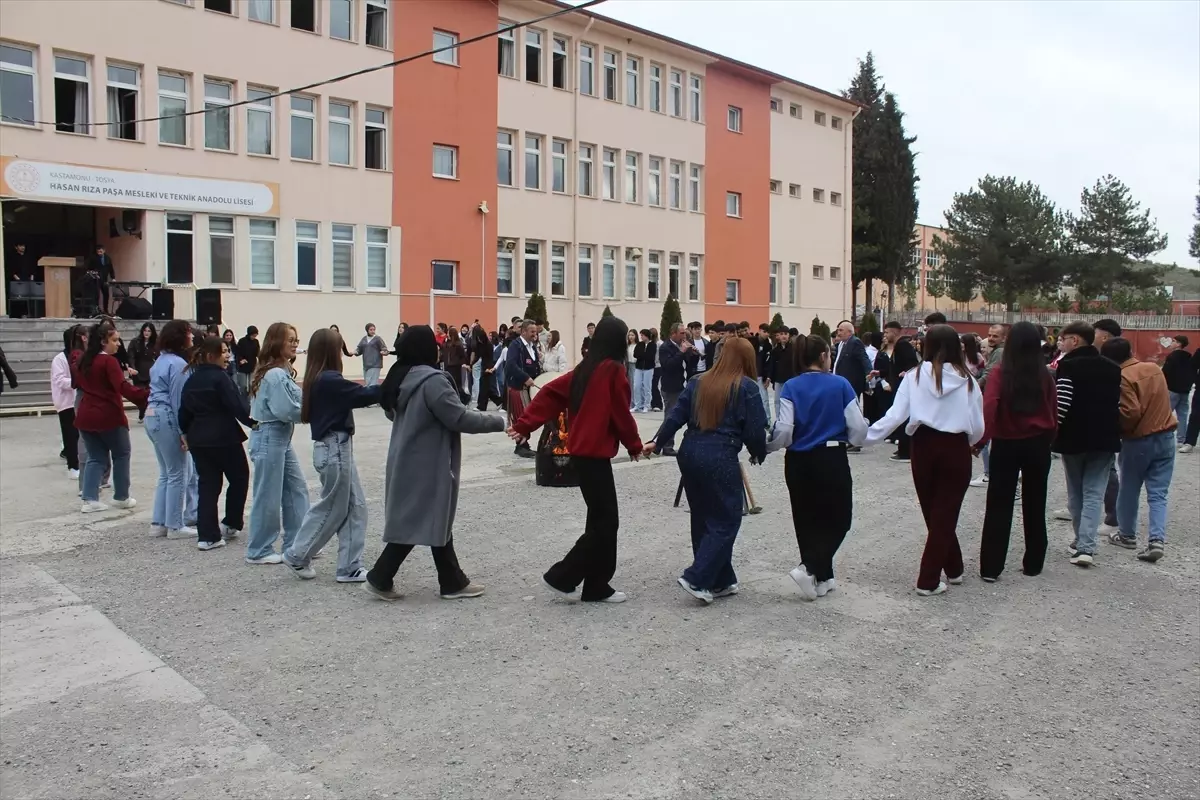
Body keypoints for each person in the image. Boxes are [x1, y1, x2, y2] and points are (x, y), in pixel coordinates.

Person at [362, 326, 504, 601]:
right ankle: (381, 576)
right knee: (424, 516)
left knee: (427, 516)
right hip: (428, 463)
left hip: (406, 457)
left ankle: (450, 580)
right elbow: (458, 418)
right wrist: (499, 422)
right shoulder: (432, 381)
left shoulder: (400, 377)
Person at [509, 316, 644, 604]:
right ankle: (563, 576)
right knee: (606, 524)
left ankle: (596, 586)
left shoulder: (586, 368)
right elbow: (621, 413)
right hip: (594, 455)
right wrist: (634, 444)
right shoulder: (614, 371)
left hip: (581, 453)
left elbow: (549, 393)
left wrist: (524, 425)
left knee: (599, 521)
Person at [645, 338, 766, 603]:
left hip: (689, 453)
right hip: (721, 455)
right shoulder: (747, 387)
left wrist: (657, 442)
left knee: (702, 516)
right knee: (727, 519)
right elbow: (756, 429)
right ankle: (697, 577)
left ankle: (720, 580)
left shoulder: (698, 381)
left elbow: (676, 415)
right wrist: (759, 451)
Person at [865, 325, 984, 596]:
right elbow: (978, 425)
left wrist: (865, 436)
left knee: (934, 511)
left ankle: (953, 569)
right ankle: (929, 579)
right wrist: (969, 442)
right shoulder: (968, 380)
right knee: (945, 512)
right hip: (955, 447)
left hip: (923, 445)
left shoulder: (914, 377)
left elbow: (895, 416)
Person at [767, 334, 868, 599]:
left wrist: (769, 447)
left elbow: (785, 429)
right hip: (831, 457)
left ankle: (822, 577)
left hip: (798, 459)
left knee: (806, 518)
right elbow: (857, 427)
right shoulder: (840, 384)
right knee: (839, 518)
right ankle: (810, 567)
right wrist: (857, 440)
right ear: (824, 355)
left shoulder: (790, 386)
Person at [283, 329, 381, 582]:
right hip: (334, 447)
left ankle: (349, 567)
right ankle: (297, 554)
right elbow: (365, 394)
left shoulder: (320, 378)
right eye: (339, 349)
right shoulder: (328, 379)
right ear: (330, 352)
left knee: (355, 506)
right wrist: (395, 382)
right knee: (333, 508)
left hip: (337, 447)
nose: (341, 354)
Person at [975, 322, 1057, 581]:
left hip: (1007, 443)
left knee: (999, 504)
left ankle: (991, 566)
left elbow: (989, 407)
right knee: (1035, 502)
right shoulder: (1045, 374)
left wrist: (980, 441)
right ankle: (1033, 562)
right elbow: (1053, 410)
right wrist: (1051, 439)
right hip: (1038, 443)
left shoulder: (1000, 373)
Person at [1052, 321, 1122, 568]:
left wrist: (1053, 432)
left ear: (1075, 340)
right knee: (1094, 492)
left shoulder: (1068, 366)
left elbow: (1062, 402)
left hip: (1073, 438)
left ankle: (1081, 541)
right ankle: (1086, 547)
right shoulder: (1112, 368)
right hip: (1105, 438)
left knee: (1076, 492)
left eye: (1064, 338)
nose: (1060, 342)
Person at [1103, 337, 1177, 563]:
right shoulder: (1154, 368)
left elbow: (1130, 412)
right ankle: (1156, 539)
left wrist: (1115, 428)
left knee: (1129, 489)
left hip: (1139, 440)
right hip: (1166, 436)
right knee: (1158, 493)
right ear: (1131, 351)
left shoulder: (1122, 377)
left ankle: (1127, 535)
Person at [179, 335, 253, 551]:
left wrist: (184, 433)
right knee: (239, 477)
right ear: (212, 356)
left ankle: (208, 535)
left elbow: (183, 411)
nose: (227, 356)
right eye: (223, 352)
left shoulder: (192, 380)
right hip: (224, 437)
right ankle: (231, 522)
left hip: (199, 439)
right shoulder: (221, 378)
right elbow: (236, 406)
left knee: (208, 484)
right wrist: (254, 423)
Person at [246, 322, 310, 565]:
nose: (295, 343)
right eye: (289, 339)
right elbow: (286, 409)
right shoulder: (274, 375)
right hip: (270, 435)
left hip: (280, 437)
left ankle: (296, 544)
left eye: (296, 339)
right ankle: (259, 549)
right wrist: (311, 411)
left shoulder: (280, 372)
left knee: (296, 490)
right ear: (276, 342)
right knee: (268, 495)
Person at [74, 322, 149, 514]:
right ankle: (121, 496)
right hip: (108, 415)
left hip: (85, 415)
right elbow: (122, 387)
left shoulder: (83, 361)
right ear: (102, 341)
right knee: (122, 454)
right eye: (114, 340)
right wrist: (146, 396)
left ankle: (90, 499)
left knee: (96, 457)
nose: (118, 344)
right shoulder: (108, 362)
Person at [144, 320, 199, 540]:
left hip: (152, 415)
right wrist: (183, 432)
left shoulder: (160, 361)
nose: (192, 337)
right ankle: (175, 524)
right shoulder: (177, 364)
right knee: (179, 472)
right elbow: (178, 401)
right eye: (189, 333)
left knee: (166, 473)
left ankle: (159, 523)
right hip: (167, 415)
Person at [970, 324, 1009, 487]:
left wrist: (975, 387)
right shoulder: (1000, 351)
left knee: (986, 434)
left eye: (995, 336)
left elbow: (989, 373)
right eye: (990, 335)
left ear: (1004, 338)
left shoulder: (999, 352)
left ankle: (988, 473)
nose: (991, 338)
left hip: (992, 395)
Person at [654, 323, 700, 457]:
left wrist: (695, 354)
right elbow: (669, 365)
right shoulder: (665, 347)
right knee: (670, 417)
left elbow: (690, 365)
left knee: (681, 415)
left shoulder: (682, 345)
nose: (684, 336)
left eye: (684, 333)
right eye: (681, 333)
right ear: (673, 334)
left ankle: (659, 444)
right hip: (671, 387)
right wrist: (681, 352)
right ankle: (663, 445)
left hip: (682, 385)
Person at [882, 321, 920, 462]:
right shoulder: (897, 346)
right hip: (898, 386)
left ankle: (906, 452)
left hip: (903, 387)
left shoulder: (902, 345)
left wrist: (907, 372)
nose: (885, 335)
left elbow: (912, 364)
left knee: (904, 417)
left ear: (895, 332)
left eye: (887, 332)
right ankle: (903, 449)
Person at [504, 320, 542, 458]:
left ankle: (524, 444)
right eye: (532, 332)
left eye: (535, 332)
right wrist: (525, 378)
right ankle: (521, 446)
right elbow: (510, 365)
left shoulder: (532, 346)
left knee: (527, 415)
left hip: (528, 388)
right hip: (518, 387)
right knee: (521, 416)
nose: (535, 334)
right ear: (524, 331)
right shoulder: (516, 345)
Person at [51, 326, 81, 479]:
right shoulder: (60, 359)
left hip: (79, 400)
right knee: (69, 434)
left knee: (80, 434)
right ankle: (72, 466)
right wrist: (77, 382)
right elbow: (59, 380)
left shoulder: (80, 356)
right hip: (65, 402)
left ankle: (79, 462)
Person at [1161, 335, 1194, 452]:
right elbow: (1192, 372)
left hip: (1172, 389)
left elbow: (1165, 372)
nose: (1171, 343)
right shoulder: (1189, 356)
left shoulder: (1172, 356)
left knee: (1165, 413)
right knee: (1183, 415)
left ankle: (1161, 437)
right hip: (1185, 390)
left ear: (1179, 344)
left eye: (1174, 341)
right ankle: (1181, 440)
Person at [128, 323, 157, 422]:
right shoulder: (135, 342)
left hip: (150, 372)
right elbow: (131, 356)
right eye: (145, 330)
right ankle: (142, 413)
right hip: (138, 372)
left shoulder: (155, 344)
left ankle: (149, 415)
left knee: (150, 395)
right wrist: (132, 368)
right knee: (140, 395)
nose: (147, 333)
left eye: (149, 331)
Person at [440, 327, 469, 403]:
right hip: (448, 366)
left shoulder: (458, 344)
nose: (447, 334)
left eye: (449, 333)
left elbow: (462, 355)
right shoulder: (446, 343)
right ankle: (456, 399)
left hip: (455, 366)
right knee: (450, 383)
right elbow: (442, 351)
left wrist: (463, 363)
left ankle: (465, 398)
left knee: (456, 384)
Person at [631, 330, 655, 413]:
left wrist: (642, 355)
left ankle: (646, 405)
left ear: (647, 336)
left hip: (648, 368)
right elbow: (635, 354)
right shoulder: (639, 344)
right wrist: (643, 355)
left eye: (643, 335)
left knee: (647, 387)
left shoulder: (653, 345)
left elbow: (650, 356)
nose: (641, 337)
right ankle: (638, 405)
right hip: (638, 368)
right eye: (640, 335)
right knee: (636, 386)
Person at [87, 245, 115, 314]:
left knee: (106, 294)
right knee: (96, 294)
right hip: (96, 279)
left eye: (101, 251)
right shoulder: (94, 258)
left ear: (104, 251)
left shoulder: (108, 258)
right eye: (98, 252)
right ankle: (96, 310)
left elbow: (111, 268)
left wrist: (113, 277)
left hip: (105, 279)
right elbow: (89, 268)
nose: (99, 253)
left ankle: (105, 309)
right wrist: (93, 273)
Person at [234, 326, 259, 396]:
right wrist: (240, 360)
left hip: (252, 365)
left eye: (255, 335)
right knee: (243, 385)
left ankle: (250, 399)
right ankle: (243, 398)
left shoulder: (256, 342)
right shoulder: (242, 341)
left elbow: (257, 352)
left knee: (252, 384)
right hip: (243, 366)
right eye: (253, 335)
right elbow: (238, 353)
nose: (254, 337)